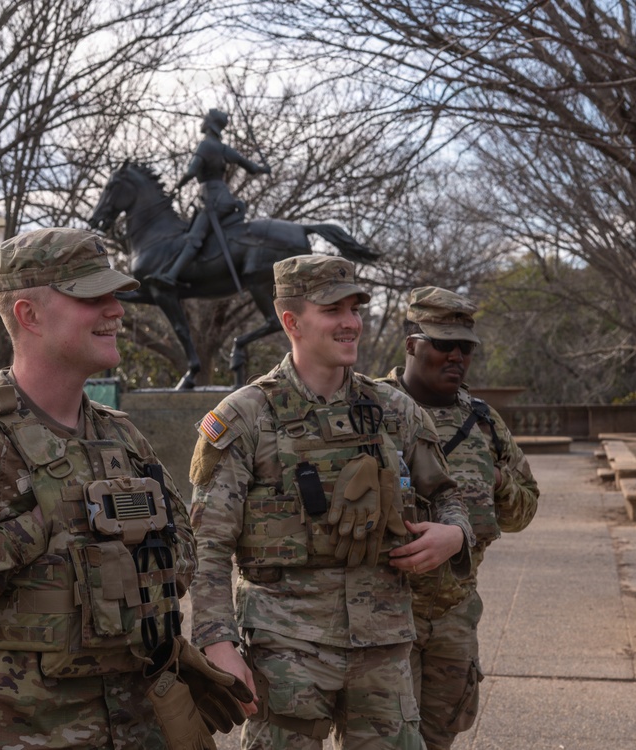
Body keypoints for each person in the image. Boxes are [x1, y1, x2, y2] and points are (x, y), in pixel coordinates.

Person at [0, 228, 246, 749]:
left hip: (139, 727)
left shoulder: (121, 436)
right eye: (94, 297)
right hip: (20, 734)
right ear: (30, 314)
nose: (116, 310)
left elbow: (179, 556)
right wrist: (28, 535)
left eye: (114, 295)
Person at [188, 255, 476, 749]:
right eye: (332, 310)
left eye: (354, 308)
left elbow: (448, 497)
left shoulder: (393, 411)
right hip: (287, 650)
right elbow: (208, 546)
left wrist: (455, 535)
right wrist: (218, 640)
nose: (350, 323)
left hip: (385, 650)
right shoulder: (246, 417)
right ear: (291, 321)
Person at [377, 286, 539, 750]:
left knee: (439, 735)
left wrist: (497, 484)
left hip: (454, 615)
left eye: (465, 347)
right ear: (411, 344)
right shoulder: (370, 410)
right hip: (384, 613)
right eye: (443, 344)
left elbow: (525, 510)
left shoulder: (484, 422)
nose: (456, 357)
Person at [147, 108, 271, 288]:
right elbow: (251, 167)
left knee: (194, 238)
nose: (202, 121)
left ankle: (171, 276)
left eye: (205, 118)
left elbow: (191, 171)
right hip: (217, 197)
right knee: (189, 233)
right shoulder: (223, 149)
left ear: (211, 124)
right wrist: (263, 169)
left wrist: (177, 187)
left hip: (213, 199)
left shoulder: (205, 146)